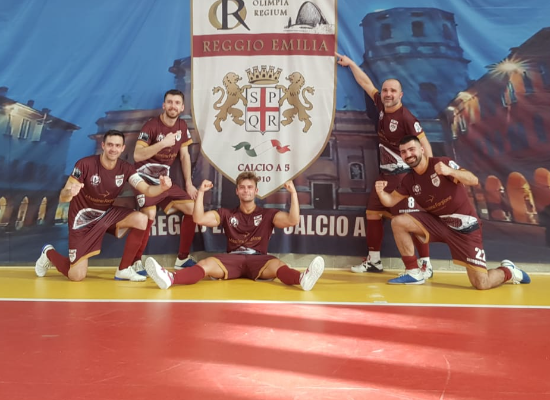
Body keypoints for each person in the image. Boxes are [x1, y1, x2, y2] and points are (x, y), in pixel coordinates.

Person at [375, 135, 531, 287]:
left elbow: (473, 180)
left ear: (422, 149)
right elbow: (390, 201)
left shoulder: (442, 163)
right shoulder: (409, 180)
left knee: (481, 283)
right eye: (403, 152)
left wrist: (450, 171)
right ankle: (413, 272)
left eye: (411, 149)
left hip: (465, 227)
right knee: (398, 222)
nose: (408, 154)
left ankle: (509, 271)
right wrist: (381, 193)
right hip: (439, 223)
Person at [336, 52, 433, 278]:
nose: (388, 94)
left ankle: (426, 265)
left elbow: (425, 146)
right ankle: (374, 261)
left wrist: (427, 175)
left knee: (413, 220)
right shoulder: (381, 104)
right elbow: (366, 83)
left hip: (403, 177)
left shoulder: (407, 118)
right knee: (372, 214)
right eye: (385, 90)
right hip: (384, 177)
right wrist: (351, 64)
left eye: (393, 91)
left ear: (401, 94)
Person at [144, 171, 325, 291]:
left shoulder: (268, 214)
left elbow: (293, 220)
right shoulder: (226, 213)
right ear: (237, 191)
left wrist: (293, 194)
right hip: (232, 259)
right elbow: (199, 218)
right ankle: (171, 278)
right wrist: (201, 193)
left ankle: (302, 279)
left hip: (259, 259)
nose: (246, 191)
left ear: (256, 191)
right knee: (206, 263)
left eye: (250, 187)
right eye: (242, 187)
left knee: (278, 265)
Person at [34, 130, 173, 282]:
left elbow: (147, 190)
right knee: (76, 276)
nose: (113, 149)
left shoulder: (126, 168)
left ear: (123, 148)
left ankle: (124, 269)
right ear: (103, 146)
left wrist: (162, 188)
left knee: (141, 218)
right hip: (82, 220)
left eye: (117, 146)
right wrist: (70, 192)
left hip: (106, 214)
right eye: (110, 145)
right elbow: (63, 196)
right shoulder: (85, 164)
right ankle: (48, 253)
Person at [131, 89, 198, 274]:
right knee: (149, 214)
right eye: (169, 102)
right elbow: (137, 155)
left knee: (193, 209)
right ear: (163, 105)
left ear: (182, 107)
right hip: (144, 177)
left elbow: (184, 156)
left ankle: (182, 259)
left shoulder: (182, 126)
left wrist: (189, 183)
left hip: (164, 180)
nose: (173, 106)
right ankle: (135, 262)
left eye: (177, 103)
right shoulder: (151, 125)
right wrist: (163, 143)